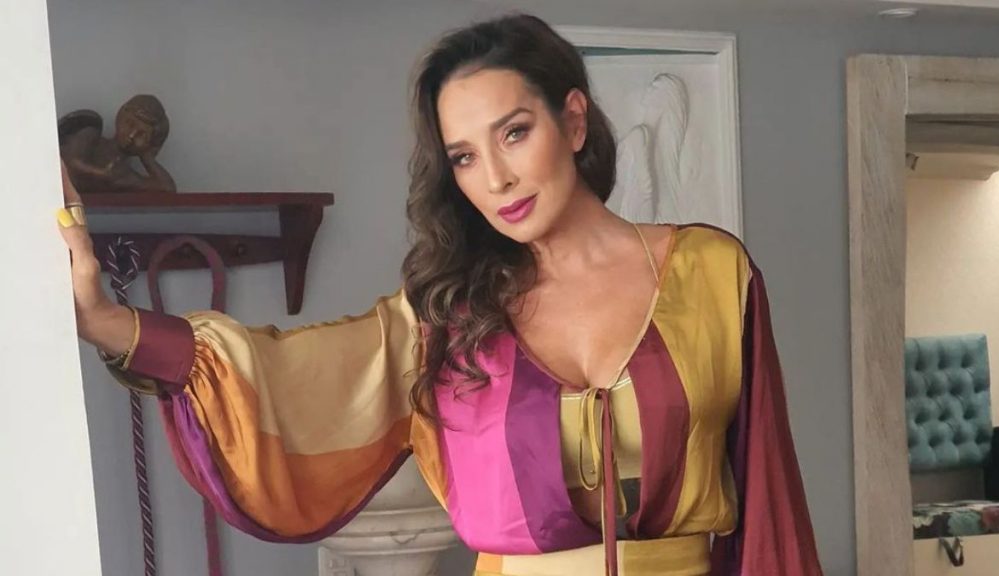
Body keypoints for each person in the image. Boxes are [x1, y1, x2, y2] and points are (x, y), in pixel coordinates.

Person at [57, 13, 822, 576]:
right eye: (463, 156)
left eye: (514, 133)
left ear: (573, 121)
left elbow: (770, 507)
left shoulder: (713, 273)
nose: (497, 179)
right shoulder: (448, 316)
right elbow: (282, 373)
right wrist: (109, 320)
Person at [59, 94, 177, 194]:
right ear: (120, 117)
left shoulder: (125, 175)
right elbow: (72, 162)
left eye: (141, 135)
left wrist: (148, 158)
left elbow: (167, 189)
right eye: (130, 124)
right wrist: (102, 174)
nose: (131, 135)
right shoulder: (91, 132)